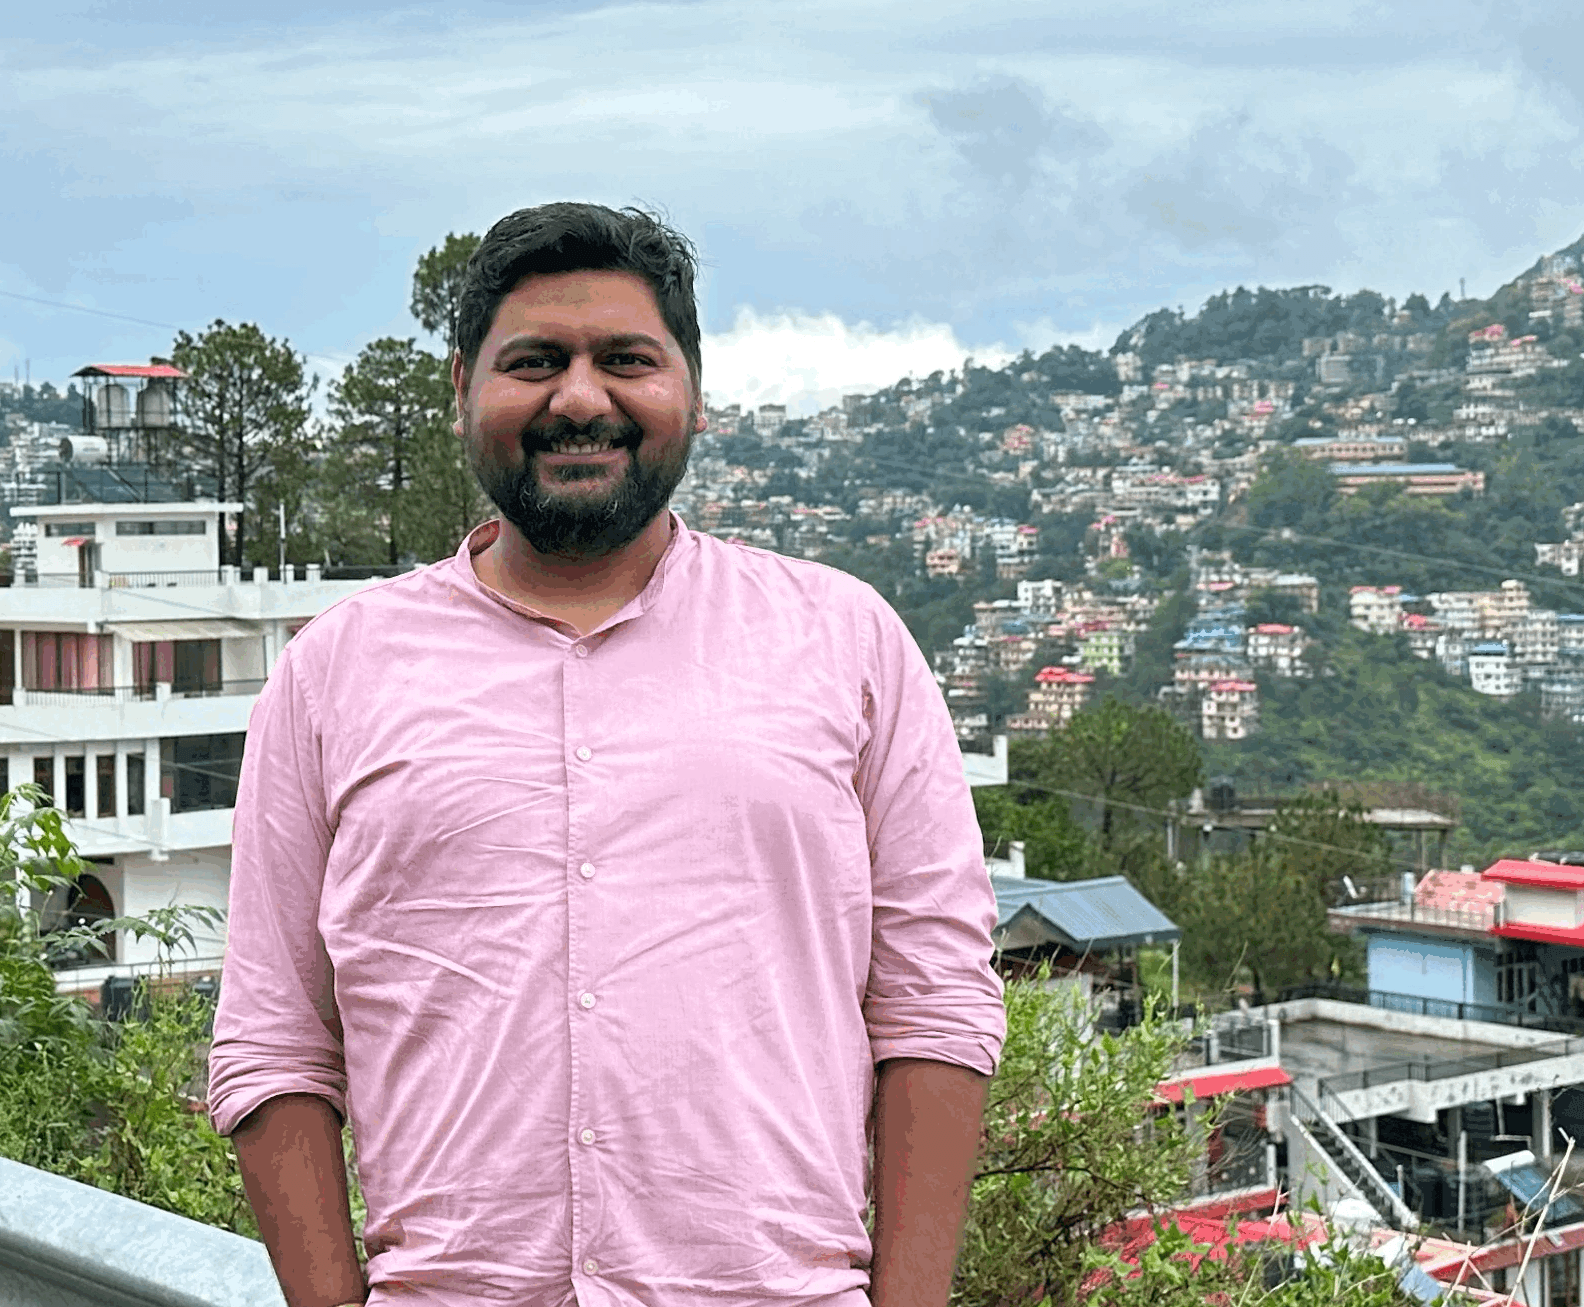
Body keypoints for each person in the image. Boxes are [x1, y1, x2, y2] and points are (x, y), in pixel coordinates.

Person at [208, 202, 1005, 1307]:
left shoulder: (845, 641)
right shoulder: (333, 672)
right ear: (460, 391)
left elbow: (931, 1006)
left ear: (692, 388)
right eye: (533, 361)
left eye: (625, 359)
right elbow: (273, 1039)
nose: (579, 398)